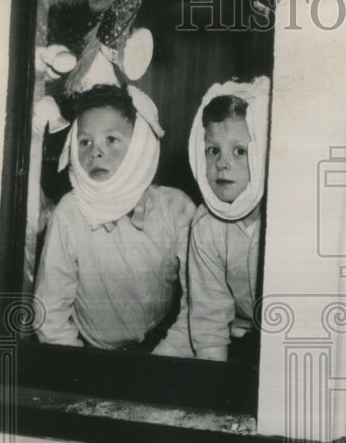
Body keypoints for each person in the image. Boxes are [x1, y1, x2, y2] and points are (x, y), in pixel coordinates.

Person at [35, 83, 195, 355]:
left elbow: (200, 304)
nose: (95, 152)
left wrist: (165, 361)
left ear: (139, 147)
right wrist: (81, 368)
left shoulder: (176, 208)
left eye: (111, 140)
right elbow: (49, 312)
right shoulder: (69, 212)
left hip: (166, 346)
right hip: (90, 354)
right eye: (85, 141)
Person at [186, 77, 269, 361]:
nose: (222, 163)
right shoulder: (205, 225)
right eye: (213, 150)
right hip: (243, 336)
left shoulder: (289, 217)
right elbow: (209, 321)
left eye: (240, 151)